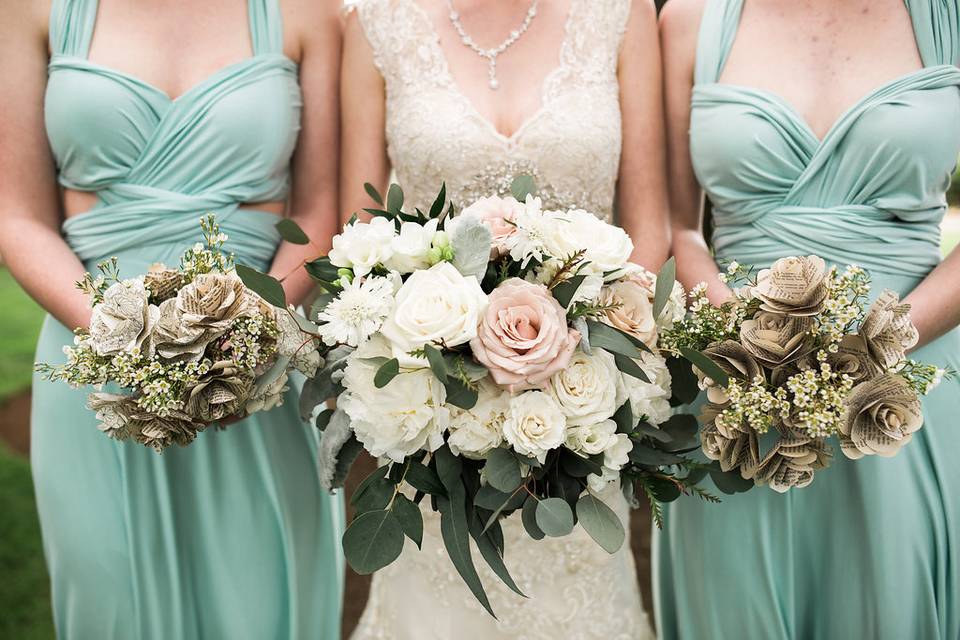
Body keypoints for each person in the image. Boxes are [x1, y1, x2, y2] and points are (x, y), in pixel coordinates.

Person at [0, 0, 345, 637]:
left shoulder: (308, 13)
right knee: (110, 602)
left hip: (257, 376)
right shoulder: (30, 10)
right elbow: (16, 216)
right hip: (94, 371)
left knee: (262, 605)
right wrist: (123, 336)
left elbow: (323, 210)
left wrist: (248, 334)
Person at [339, 0, 669, 637]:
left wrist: (584, 369)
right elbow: (363, 230)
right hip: (437, 420)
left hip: (579, 412)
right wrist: (443, 372)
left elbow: (647, 227)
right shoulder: (377, 21)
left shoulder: (620, 16)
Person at [655, 1, 960, 638]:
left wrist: (879, 344)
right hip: (735, 399)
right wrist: (732, 334)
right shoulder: (690, 19)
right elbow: (678, 224)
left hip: (907, 389)